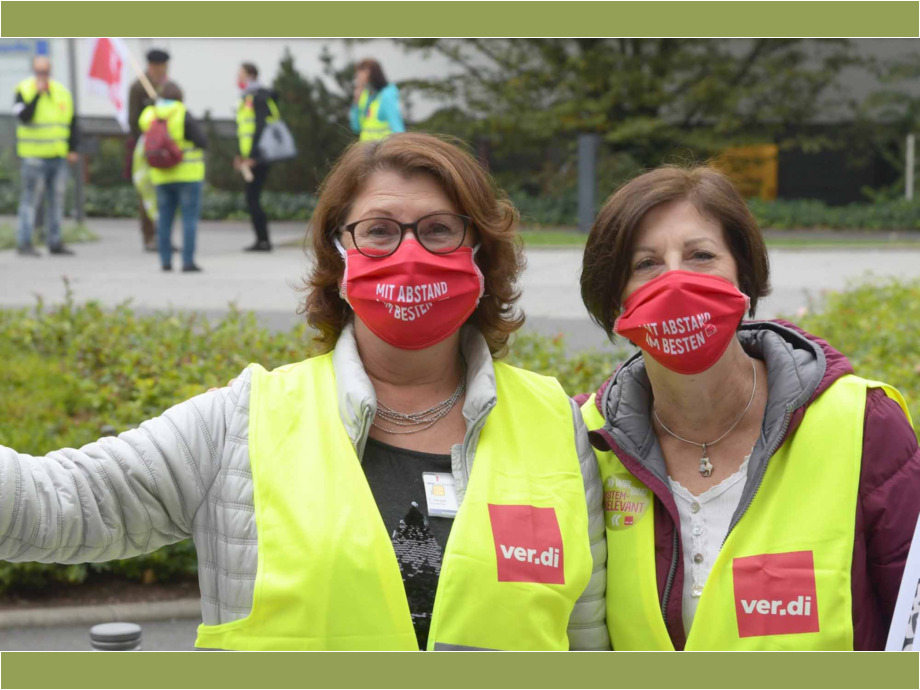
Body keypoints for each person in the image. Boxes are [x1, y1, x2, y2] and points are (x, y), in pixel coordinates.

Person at [0, 133, 609, 652]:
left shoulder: (556, 424)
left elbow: (586, 643)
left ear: (481, 252)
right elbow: (54, 502)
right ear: (337, 258)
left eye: (440, 230)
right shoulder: (246, 420)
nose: (410, 254)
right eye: (378, 232)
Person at [577, 165, 920, 650]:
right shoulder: (588, 441)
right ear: (615, 301)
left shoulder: (863, 423)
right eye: (646, 264)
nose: (676, 281)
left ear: (744, 278)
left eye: (701, 256)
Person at [13, 55, 79, 257]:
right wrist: (37, 96)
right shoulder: (23, 90)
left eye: (45, 72)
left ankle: (54, 241)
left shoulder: (62, 93)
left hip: (58, 157)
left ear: (50, 71)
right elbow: (24, 117)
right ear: (34, 71)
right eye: (39, 72)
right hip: (33, 157)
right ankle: (24, 242)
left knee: (57, 201)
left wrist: (72, 148)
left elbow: (72, 123)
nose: (42, 76)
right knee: (30, 201)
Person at [138, 82, 207, 273]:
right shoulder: (182, 113)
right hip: (188, 175)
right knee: (189, 219)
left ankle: (165, 261)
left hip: (161, 176)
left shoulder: (149, 115)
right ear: (180, 97)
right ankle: (187, 262)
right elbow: (202, 141)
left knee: (164, 220)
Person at [234, 62, 280, 252]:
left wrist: (253, 157)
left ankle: (264, 240)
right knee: (252, 198)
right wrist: (240, 154)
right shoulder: (247, 98)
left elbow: (260, 129)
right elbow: (244, 130)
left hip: (258, 158)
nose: (237, 78)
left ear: (251, 75)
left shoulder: (259, 98)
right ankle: (261, 239)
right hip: (249, 157)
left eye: (241, 74)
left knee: (253, 198)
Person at [128, 48, 170, 252]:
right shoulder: (138, 87)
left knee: (165, 194)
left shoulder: (168, 87)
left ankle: (165, 236)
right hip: (146, 149)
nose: (164, 69)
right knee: (146, 193)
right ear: (153, 66)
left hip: (167, 150)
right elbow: (133, 120)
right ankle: (149, 236)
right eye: (161, 66)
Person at [349, 58, 405, 142]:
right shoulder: (365, 95)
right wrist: (356, 103)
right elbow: (356, 127)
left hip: (383, 150)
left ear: (372, 73)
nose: (358, 75)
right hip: (366, 150)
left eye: (361, 71)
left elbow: (396, 126)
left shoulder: (386, 95)